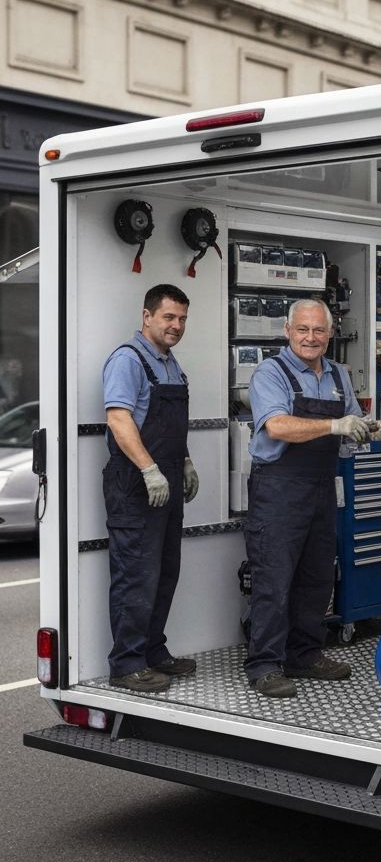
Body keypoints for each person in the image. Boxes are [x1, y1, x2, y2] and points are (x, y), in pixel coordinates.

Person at [244, 298, 381, 698]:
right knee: (274, 578)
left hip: (322, 485)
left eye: (319, 330)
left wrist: (366, 429)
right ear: (288, 332)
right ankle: (265, 664)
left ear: (330, 334)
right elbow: (276, 426)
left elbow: (345, 428)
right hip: (278, 488)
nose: (311, 338)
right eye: (303, 330)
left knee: (317, 575)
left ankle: (305, 654)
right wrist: (335, 423)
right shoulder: (269, 373)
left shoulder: (337, 374)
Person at [102, 284, 200, 692]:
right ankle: (126, 663)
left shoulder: (171, 364)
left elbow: (172, 426)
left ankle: (152, 651)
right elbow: (119, 419)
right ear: (147, 317)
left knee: (164, 573)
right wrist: (149, 470)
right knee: (135, 576)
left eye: (182, 319)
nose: (176, 326)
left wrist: (187, 461)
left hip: (168, 480)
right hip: (135, 485)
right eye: (168, 317)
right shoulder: (128, 360)